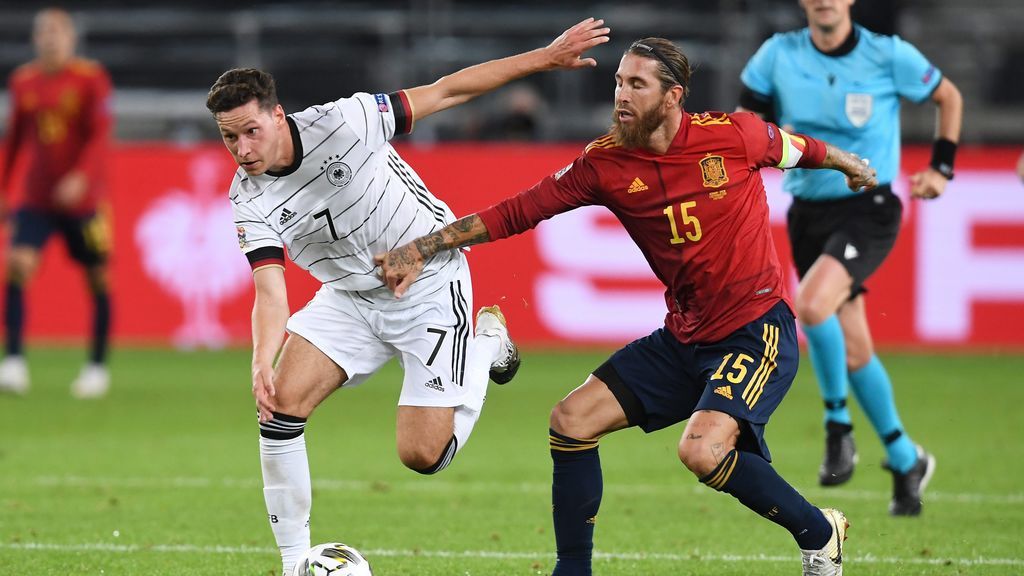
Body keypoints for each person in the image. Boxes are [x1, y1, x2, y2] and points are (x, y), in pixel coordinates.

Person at [377, 37, 878, 576]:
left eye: (636, 84)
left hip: (755, 330)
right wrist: (425, 247)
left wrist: (847, 163)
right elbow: (519, 211)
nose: (621, 94)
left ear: (672, 96)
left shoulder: (733, 135)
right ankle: (573, 571)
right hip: (684, 337)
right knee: (570, 421)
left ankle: (820, 533)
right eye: (618, 81)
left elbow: (796, 147)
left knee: (700, 450)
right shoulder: (606, 164)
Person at [205, 18, 609, 575]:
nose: (243, 149)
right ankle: (295, 562)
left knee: (423, 455)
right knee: (278, 409)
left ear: (278, 115)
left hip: (429, 284)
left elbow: (447, 90)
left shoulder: (343, 122)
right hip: (348, 297)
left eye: (251, 131)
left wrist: (543, 57)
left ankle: (486, 343)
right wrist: (260, 359)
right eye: (230, 137)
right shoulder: (246, 197)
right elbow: (270, 291)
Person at [737, 0, 962, 515]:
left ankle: (838, 427)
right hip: (808, 211)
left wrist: (941, 169)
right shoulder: (778, 55)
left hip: (870, 207)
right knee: (854, 346)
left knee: (812, 306)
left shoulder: (888, 55)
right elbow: (750, 117)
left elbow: (948, 96)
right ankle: (906, 458)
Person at [0, 8, 114, 398]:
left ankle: (97, 367)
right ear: (36, 38)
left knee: (97, 277)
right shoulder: (24, 82)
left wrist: (82, 176)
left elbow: (100, 135)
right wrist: (4, 187)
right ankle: (13, 361)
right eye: (44, 31)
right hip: (36, 197)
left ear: (70, 38)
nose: (50, 38)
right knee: (17, 266)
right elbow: (14, 139)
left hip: (83, 202)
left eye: (57, 31)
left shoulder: (90, 79)